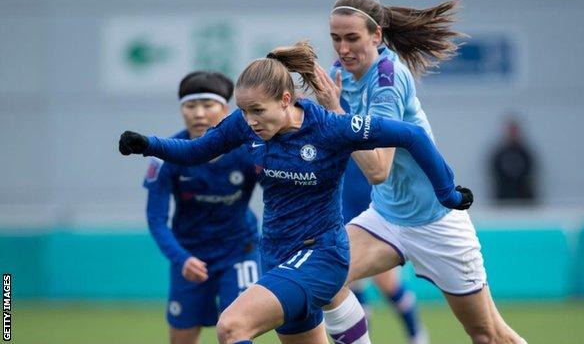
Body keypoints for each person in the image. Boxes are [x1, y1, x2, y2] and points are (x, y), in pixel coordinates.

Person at [119, 41, 473, 344]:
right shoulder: (245, 126)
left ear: (286, 100)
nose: (251, 120)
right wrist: (148, 144)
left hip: (320, 255)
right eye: (244, 111)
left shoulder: (331, 128)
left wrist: (448, 194)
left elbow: (412, 136)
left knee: (231, 325)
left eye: (258, 110)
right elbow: (196, 151)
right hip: (275, 255)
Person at [312, 0, 527, 343]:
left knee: (487, 334)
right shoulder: (340, 74)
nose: (343, 48)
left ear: (376, 36)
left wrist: (335, 114)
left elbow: (378, 169)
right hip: (385, 217)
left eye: (352, 38)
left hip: (436, 223)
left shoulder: (388, 79)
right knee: (320, 275)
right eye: (336, 38)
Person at [143, 71, 261, 344]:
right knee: (182, 338)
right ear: (182, 110)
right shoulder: (166, 154)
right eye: (190, 106)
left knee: (237, 328)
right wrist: (181, 258)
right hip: (190, 256)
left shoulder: (248, 151)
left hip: (239, 252)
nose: (198, 114)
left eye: (207, 105)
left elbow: (279, 193)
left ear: (225, 110)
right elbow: (156, 219)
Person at [342, 158, 428, 344]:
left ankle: (416, 336)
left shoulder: (376, 135)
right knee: (351, 285)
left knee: (388, 284)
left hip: (378, 212)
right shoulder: (333, 133)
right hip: (345, 212)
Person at [490, 116, 537, 204]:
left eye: (514, 131)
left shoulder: (525, 153)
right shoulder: (499, 154)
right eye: (510, 131)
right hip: (503, 199)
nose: (512, 134)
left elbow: (530, 176)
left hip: (524, 199)